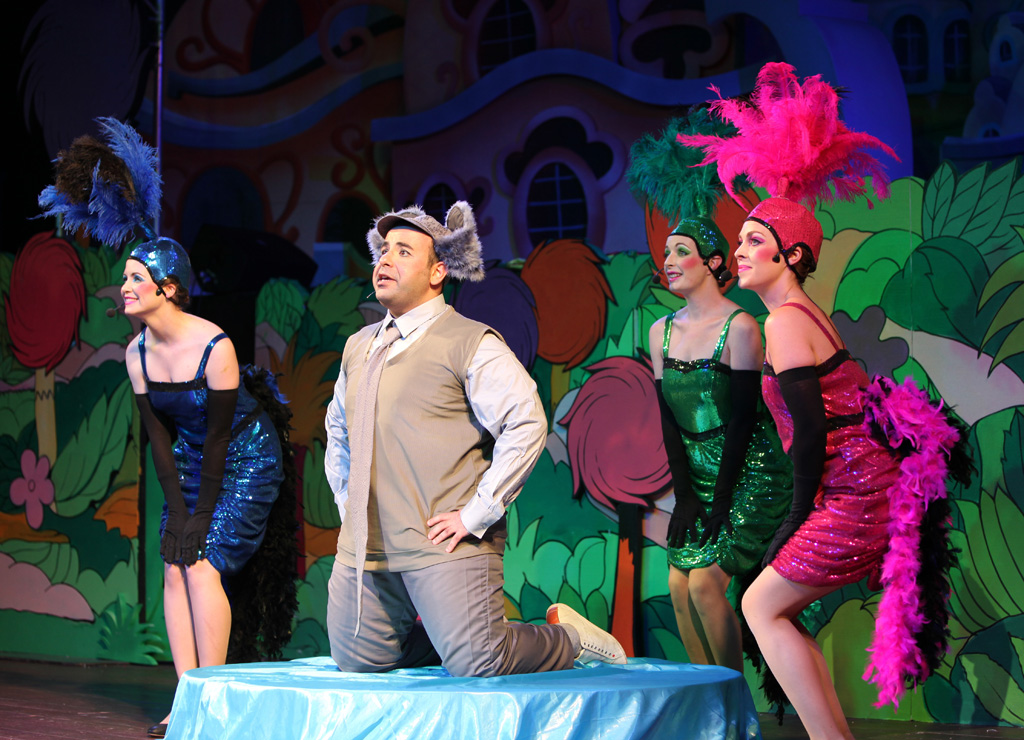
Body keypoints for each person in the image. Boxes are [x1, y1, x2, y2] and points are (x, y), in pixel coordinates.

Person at [679, 62, 967, 738]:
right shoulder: (800, 316)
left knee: (759, 605)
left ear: (790, 256)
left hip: (855, 495)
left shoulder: (785, 323)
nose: (739, 252)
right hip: (856, 489)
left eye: (755, 242)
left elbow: (809, 433)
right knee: (766, 606)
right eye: (741, 240)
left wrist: (792, 520)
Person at [39, 119, 297, 739]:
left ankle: (216, 704)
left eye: (136, 278)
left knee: (202, 565)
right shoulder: (136, 354)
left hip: (244, 458)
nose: (123, 286)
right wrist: (178, 512)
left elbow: (219, 436)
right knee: (174, 564)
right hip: (187, 459)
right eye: (125, 276)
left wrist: (201, 515)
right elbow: (159, 438)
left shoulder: (215, 346)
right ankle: (186, 700)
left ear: (169, 288)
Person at [324, 202, 624, 677]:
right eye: (384, 250)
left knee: (479, 661)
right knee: (359, 659)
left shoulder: (469, 341)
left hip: (440, 541)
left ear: (438, 271)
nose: (385, 260)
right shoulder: (359, 346)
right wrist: (348, 501)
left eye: (404, 251)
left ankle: (568, 638)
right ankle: (455, 635)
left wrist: (475, 514)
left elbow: (526, 421)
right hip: (368, 544)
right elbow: (338, 428)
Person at [629, 114, 793, 673]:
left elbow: (745, 422)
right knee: (678, 586)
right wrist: (686, 494)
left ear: (713, 262)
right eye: (667, 253)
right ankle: (706, 705)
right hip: (697, 476)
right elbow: (668, 421)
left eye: (682, 252)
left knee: (704, 585)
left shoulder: (741, 327)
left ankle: (732, 703)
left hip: (748, 473)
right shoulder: (660, 332)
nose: (670, 262)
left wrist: (721, 499)